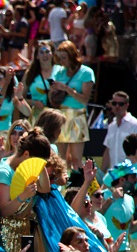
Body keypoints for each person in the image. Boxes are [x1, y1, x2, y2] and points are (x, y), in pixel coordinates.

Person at [51, 41, 94, 171]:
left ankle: (78, 181)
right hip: (61, 115)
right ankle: (62, 181)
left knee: (76, 159)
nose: (62, 61)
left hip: (77, 115)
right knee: (60, 158)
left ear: (72, 56)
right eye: (59, 58)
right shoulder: (59, 72)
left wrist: (66, 89)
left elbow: (84, 99)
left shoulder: (86, 72)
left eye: (64, 57)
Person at [103, 92, 137, 171]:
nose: (117, 106)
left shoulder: (135, 124)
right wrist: (102, 173)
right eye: (114, 103)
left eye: (121, 104)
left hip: (130, 172)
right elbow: (108, 151)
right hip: (114, 173)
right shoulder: (111, 126)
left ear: (127, 105)